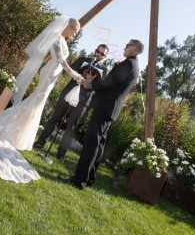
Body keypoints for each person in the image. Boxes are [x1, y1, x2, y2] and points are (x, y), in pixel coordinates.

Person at [0, 16, 83, 183]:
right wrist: (75, 75)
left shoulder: (63, 40)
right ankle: (14, 132)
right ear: (67, 26)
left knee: (35, 104)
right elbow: (61, 60)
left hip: (52, 76)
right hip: (48, 74)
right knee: (34, 103)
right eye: (74, 31)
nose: (74, 35)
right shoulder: (56, 38)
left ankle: (20, 134)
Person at [59, 39, 144, 189]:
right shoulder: (134, 66)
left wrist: (91, 84)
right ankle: (90, 178)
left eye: (127, 45)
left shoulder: (128, 64)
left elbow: (110, 82)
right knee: (98, 145)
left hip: (104, 107)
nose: (124, 47)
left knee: (91, 145)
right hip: (110, 109)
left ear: (134, 48)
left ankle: (79, 180)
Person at [33, 44, 108, 162]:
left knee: (71, 127)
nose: (99, 54)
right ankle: (40, 142)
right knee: (55, 118)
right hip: (68, 92)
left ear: (105, 56)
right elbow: (70, 69)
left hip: (83, 99)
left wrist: (90, 81)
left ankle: (60, 154)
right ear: (95, 50)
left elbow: (100, 86)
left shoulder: (104, 70)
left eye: (102, 53)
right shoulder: (84, 59)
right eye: (98, 51)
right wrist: (79, 76)